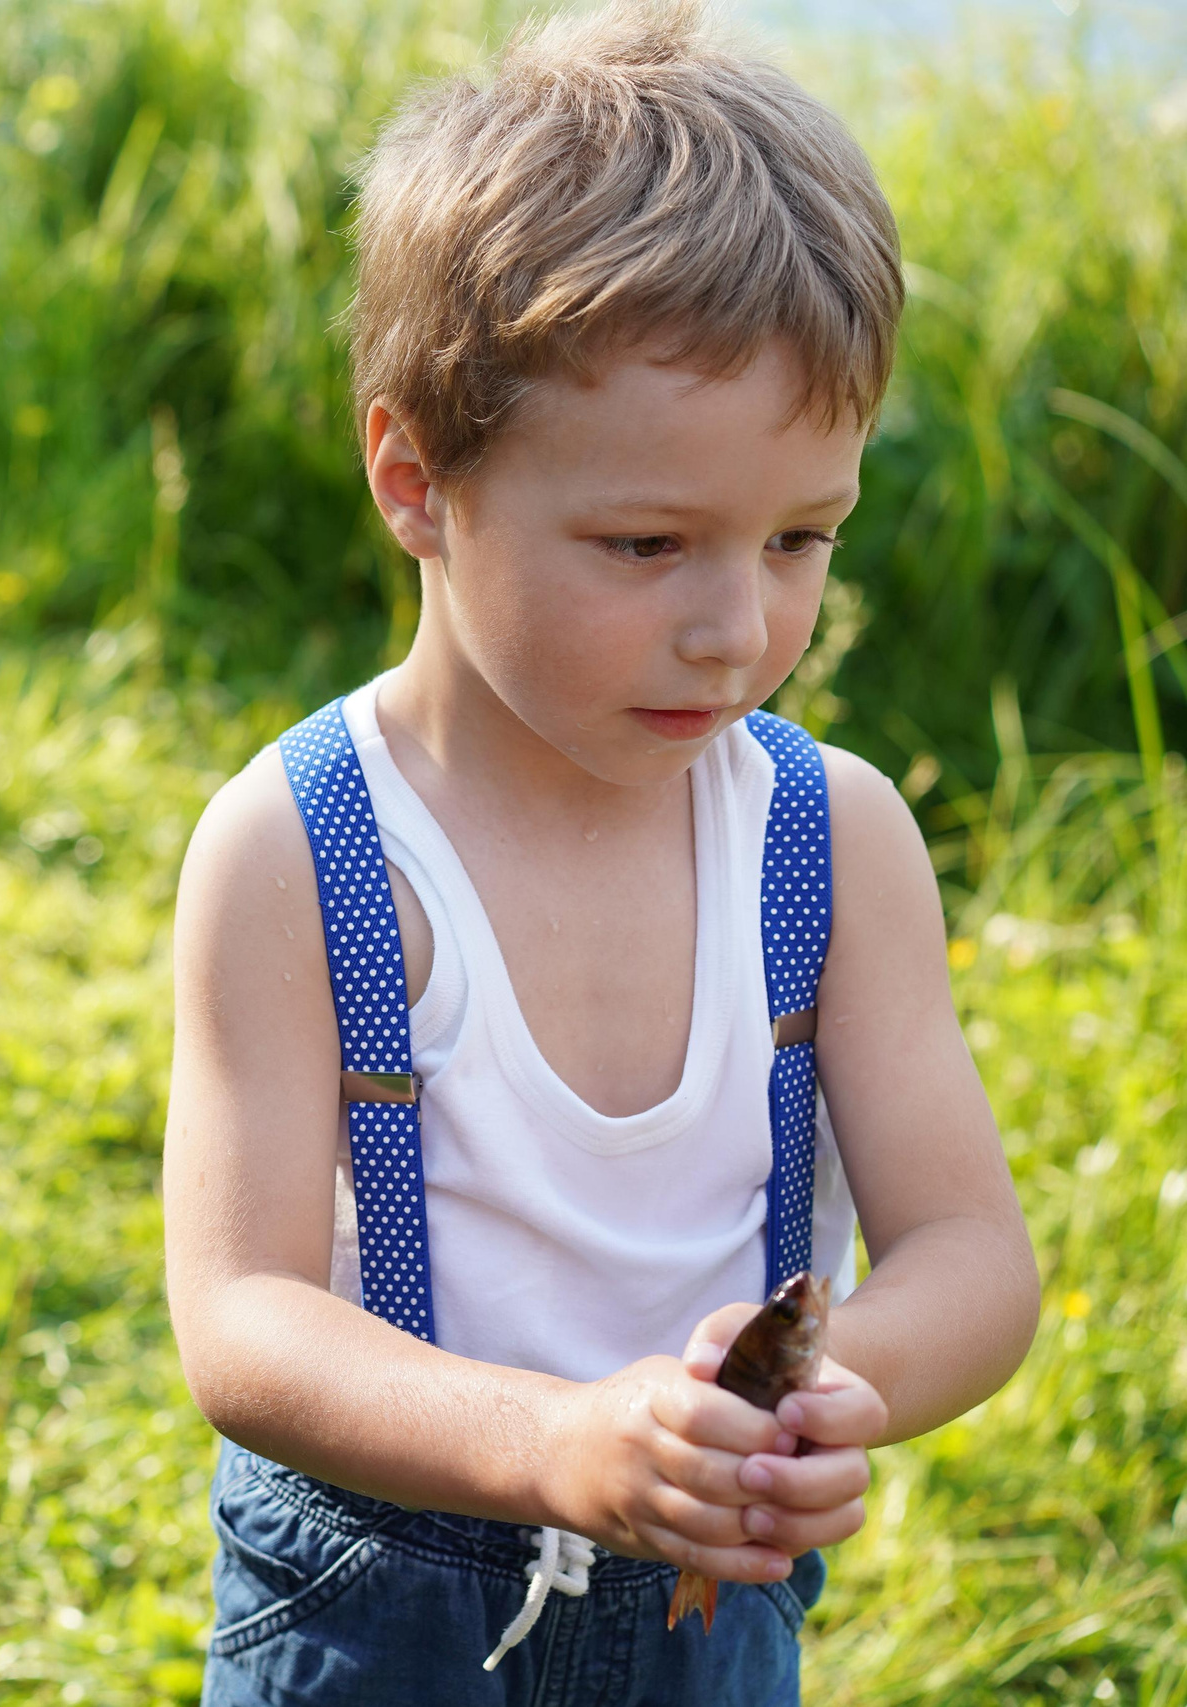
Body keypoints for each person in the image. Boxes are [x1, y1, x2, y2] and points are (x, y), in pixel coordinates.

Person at [161, 6, 1037, 1702]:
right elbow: (246, 1323)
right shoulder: (301, 850)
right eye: (647, 544)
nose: (736, 627)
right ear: (416, 478)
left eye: (802, 538)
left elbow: (975, 1258)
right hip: (370, 1615)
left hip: (711, 1617)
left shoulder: (832, 842)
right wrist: (551, 1442)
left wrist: (842, 1377)